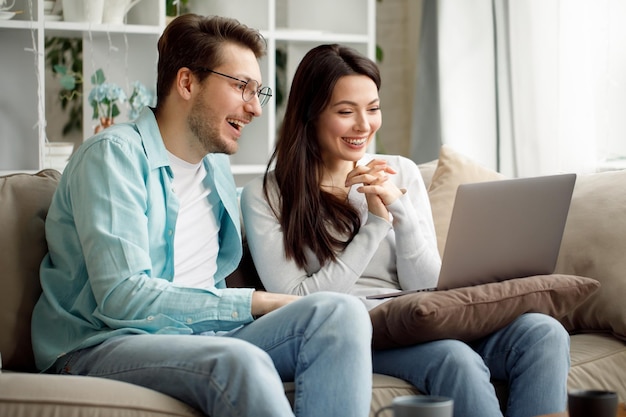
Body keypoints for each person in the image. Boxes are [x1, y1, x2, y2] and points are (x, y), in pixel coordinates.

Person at [31, 16, 373, 417]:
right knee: (238, 361)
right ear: (188, 83)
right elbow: (122, 297)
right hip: (101, 344)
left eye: (257, 91)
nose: (255, 108)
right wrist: (256, 302)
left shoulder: (216, 170)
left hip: (203, 337)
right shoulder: (113, 157)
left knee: (338, 313)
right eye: (241, 87)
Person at [240, 43, 571, 417]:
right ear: (310, 115)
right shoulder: (266, 196)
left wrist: (400, 210)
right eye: (346, 112)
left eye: (373, 109)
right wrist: (376, 225)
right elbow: (297, 301)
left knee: (543, 332)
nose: (364, 125)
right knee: (455, 359)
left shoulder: (401, 170)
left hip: (421, 316)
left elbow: (427, 286)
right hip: (363, 331)